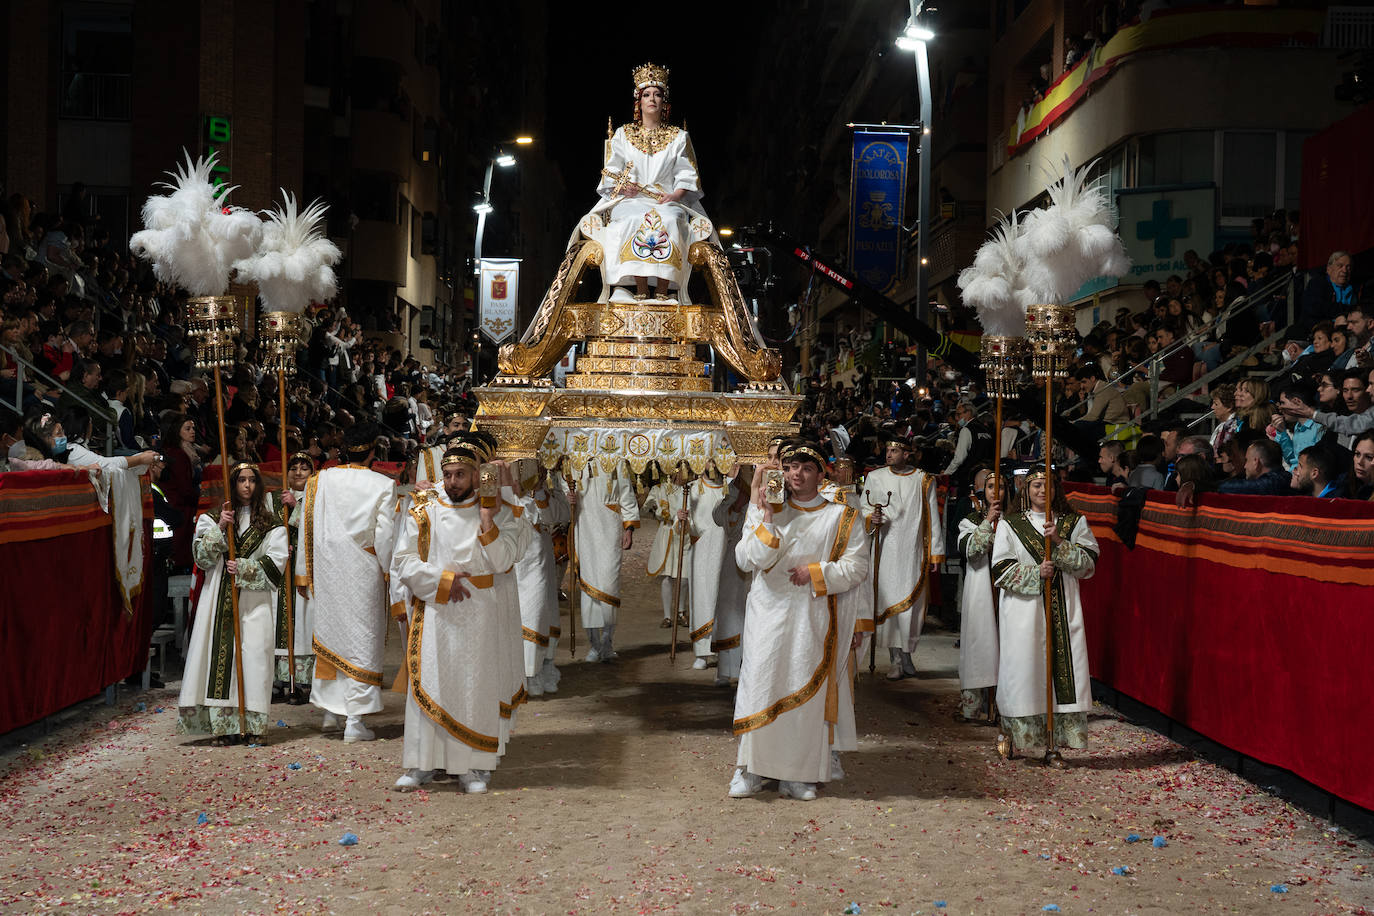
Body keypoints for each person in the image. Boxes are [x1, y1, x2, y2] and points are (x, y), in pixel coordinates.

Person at [730, 441, 871, 802]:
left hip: (812, 617)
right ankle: (750, 770)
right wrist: (766, 516)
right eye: (791, 466)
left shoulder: (842, 517)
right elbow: (747, 559)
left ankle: (796, 775)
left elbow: (857, 567)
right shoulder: (766, 506)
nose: (797, 474)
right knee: (761, 685)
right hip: (767, 614)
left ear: (821, 474)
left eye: (807, 468)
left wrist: (817, 572)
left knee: (803, 691)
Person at [389, 445, 532, 793]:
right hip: (436, 610)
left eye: (460, 475)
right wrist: (442, 581)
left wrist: (487, 520)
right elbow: (403, 560)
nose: (453, 482)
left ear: (476, 475)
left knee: (473, 688)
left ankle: (472, 767)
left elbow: (503, 561)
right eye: (448, 475)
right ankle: (422, 764)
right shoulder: (425, 508)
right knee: (431, 683)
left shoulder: (501, 510)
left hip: (480, 613)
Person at [295, 422, 399, 742]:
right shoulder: (383, 485)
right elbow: (385, 537)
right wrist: (391, 571)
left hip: (327, 569)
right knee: (361, 641)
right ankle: (354, 720)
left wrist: (303, 571)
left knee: (331, 635)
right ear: (372, 452)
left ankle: (330, 712)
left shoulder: (319, 481)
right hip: (363, 571)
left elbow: (306, 528)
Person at [576, 62, 712, 303]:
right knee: (632, 218)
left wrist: (675, 195)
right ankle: (640, 287)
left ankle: (662, 288)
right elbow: (612, 170)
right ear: (638, 101)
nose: (652, 99)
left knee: (670, 219)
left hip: (666, 199)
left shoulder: (679, 137)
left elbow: (686, 173)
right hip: (631, 199)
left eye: (657, 94)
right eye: (646, 94)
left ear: (664, 101)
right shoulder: (623, 134)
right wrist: (623, 187)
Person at [991, 466, 1099, 758]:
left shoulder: (1074, 523)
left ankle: (1056, 742)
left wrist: (1060, 543)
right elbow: (1000, 569)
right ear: (1026, 490)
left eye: (1047, 485)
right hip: (1023, 612)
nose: (1042, 490)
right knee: (1025, 669)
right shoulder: (1010, 525)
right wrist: (1035, 572)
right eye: (1036, 485)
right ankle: (1018, 734)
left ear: (1055, 489)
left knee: (1062, 671)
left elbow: (1089, 565)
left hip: (1064, 607)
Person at [177, 463, 288, 744]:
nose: (247, 486)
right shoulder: (211, 519)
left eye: (252, 480)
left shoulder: (271, 524)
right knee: (219, 659)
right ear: (232, 484)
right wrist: (220, 528)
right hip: (217, 601)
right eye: (241, 480)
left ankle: (253, 726)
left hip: (254, 602)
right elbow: (201, 558)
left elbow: (277, 562)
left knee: (254, 659)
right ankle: (225, 727)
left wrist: (246, 567)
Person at [861, 432, 944, 680]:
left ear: (907, 454)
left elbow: (932, 518)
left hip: (912, 550)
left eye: (894, 451)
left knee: (913, 608)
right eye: (887, 450)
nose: (888, 454)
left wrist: (935, 552)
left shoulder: (923, 480)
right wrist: (871, 517)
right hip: (886, 549)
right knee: (889, 605)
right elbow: (863, 508)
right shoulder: (875, 477)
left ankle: (907, 654)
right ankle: (895, 658)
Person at [567, 463, 639, 662]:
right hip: (585, 529)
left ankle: (607, 643)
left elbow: (626, 493)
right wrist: (568, 499)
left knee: (609, 586)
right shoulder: (574, 461)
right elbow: (564, 490)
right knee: (589, 591)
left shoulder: (616, 460)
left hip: (610, 530)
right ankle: (594, 645)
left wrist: (629, 528)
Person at [514, 462, 570, 697]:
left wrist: (539, 492)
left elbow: (559, 515)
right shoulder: (503, 489)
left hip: (540, 557)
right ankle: (526, 672)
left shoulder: (549, 487)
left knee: (542, 610)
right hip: (514, 559)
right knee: (525, 613)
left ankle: (542, 666)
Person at [956, 466, 1001, 723]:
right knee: (979, 644)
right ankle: (974, 705)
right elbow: (971, 550)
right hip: (980, 589)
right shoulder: (970, 521)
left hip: (1007, 593)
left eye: (1001, 487)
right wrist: (988, 522)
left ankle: (1002, 706)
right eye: (991, 486)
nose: (996, 492)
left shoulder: (1017, 521)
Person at [275, 453, 317, 700]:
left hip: (306, 570)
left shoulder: (317, 497)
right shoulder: (275, 499)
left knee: (303, 621)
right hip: (281, 570)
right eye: (294, 468)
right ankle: (280, 679)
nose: (298, 472)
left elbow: (317, 528)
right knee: (280, 621)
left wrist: (296, 506)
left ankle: (302, 681)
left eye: (304, 468)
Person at [684, 464, 733, 670]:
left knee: (725, 599)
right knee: (702, 598)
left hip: (726, 550)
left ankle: (723, 649)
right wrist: (682, 520)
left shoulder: (732, 488)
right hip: (702, 552)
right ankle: (702, 651)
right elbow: (686, 524)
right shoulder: (691, 489)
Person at [709, 465, 752, 687]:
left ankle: (749, 672)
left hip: (762, 559)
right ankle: (726, 669)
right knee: (730, 610)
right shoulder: (735, 488)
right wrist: (737, 505)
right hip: (735, 557)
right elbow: (718, 517)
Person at [645, 470, 694, 631]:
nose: (685, 474)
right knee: (667, 576)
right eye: (682, 470)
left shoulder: (692, 488)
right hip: (667, 534)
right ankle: (667, 616)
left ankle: (681, 611)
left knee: (684, 577)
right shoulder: (661, 489)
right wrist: (658, 509)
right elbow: (647, 507)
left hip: (685, 534)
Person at [1217, 438, 1289, 495]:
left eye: (1247, 460)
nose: (1245, 466)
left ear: (1256, 462)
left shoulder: (1276, 482)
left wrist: (1214, 487)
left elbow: (1241, 487)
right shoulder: (1280, 477)